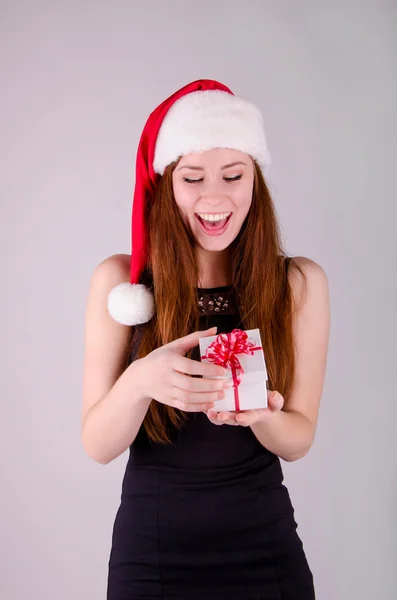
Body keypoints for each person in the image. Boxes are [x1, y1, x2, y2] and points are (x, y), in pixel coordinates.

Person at [81, 79, 330, 600]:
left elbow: (299, 438)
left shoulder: (298, 283)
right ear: (167, 183)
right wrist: (141, 380)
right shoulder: (122, 284)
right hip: (152, 557)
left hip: (264, 547)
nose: (215, 198)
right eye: (192, 178)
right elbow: (98, 444)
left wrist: (263, 415)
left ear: (255, 181)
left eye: (233, 176)